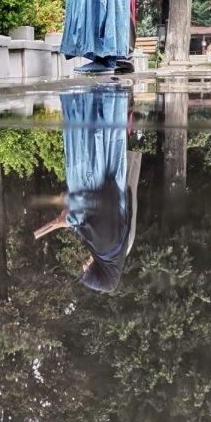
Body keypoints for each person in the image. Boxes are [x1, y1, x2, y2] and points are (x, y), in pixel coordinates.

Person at [32, 88, 138, 293]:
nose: (83, 266)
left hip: (107, 173)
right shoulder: (105, 247)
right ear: (98, 271)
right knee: (88, 135)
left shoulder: (117, 250)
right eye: (87, 271)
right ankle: (87, 96)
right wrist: (72, 214)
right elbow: (101, 206)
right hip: (94, 173)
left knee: (107, 132)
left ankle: (107, 94)